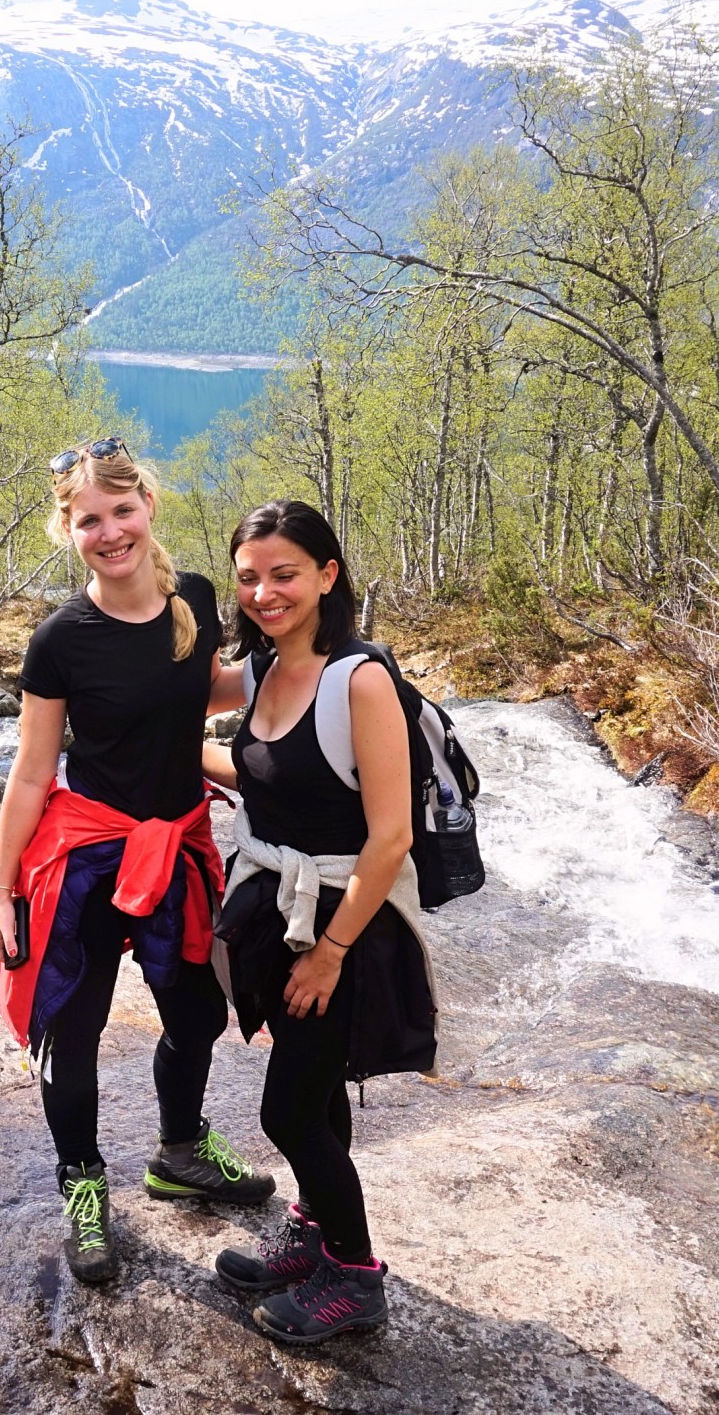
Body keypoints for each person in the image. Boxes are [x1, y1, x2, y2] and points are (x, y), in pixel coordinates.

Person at [0, 438, 273, 1287]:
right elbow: (32, 771)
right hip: (89, 857)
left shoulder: (198, 599)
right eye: (89, 521)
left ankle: (180, 1153)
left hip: (175, 845)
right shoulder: (60, 640)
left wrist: (298, 667)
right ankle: (82, 1185)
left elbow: (198, 693)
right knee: (73, 1034)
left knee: (197, 1015)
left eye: (121, 510)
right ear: (66, 531)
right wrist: (0, 891)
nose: (109, 533)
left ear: (148, 505)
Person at [201, 499, 437, 1345]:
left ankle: (356, 1276)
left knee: (289, 1112)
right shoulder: (264, 667)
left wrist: (331, 952)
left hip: (345, 926)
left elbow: (392, 837)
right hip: (282, 912)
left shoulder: (360, 680)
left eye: (285, 575)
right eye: (249, 578)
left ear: (328, 575)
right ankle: (315, 1233)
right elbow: (259, 760)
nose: (264, 593)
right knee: (318, 1088)